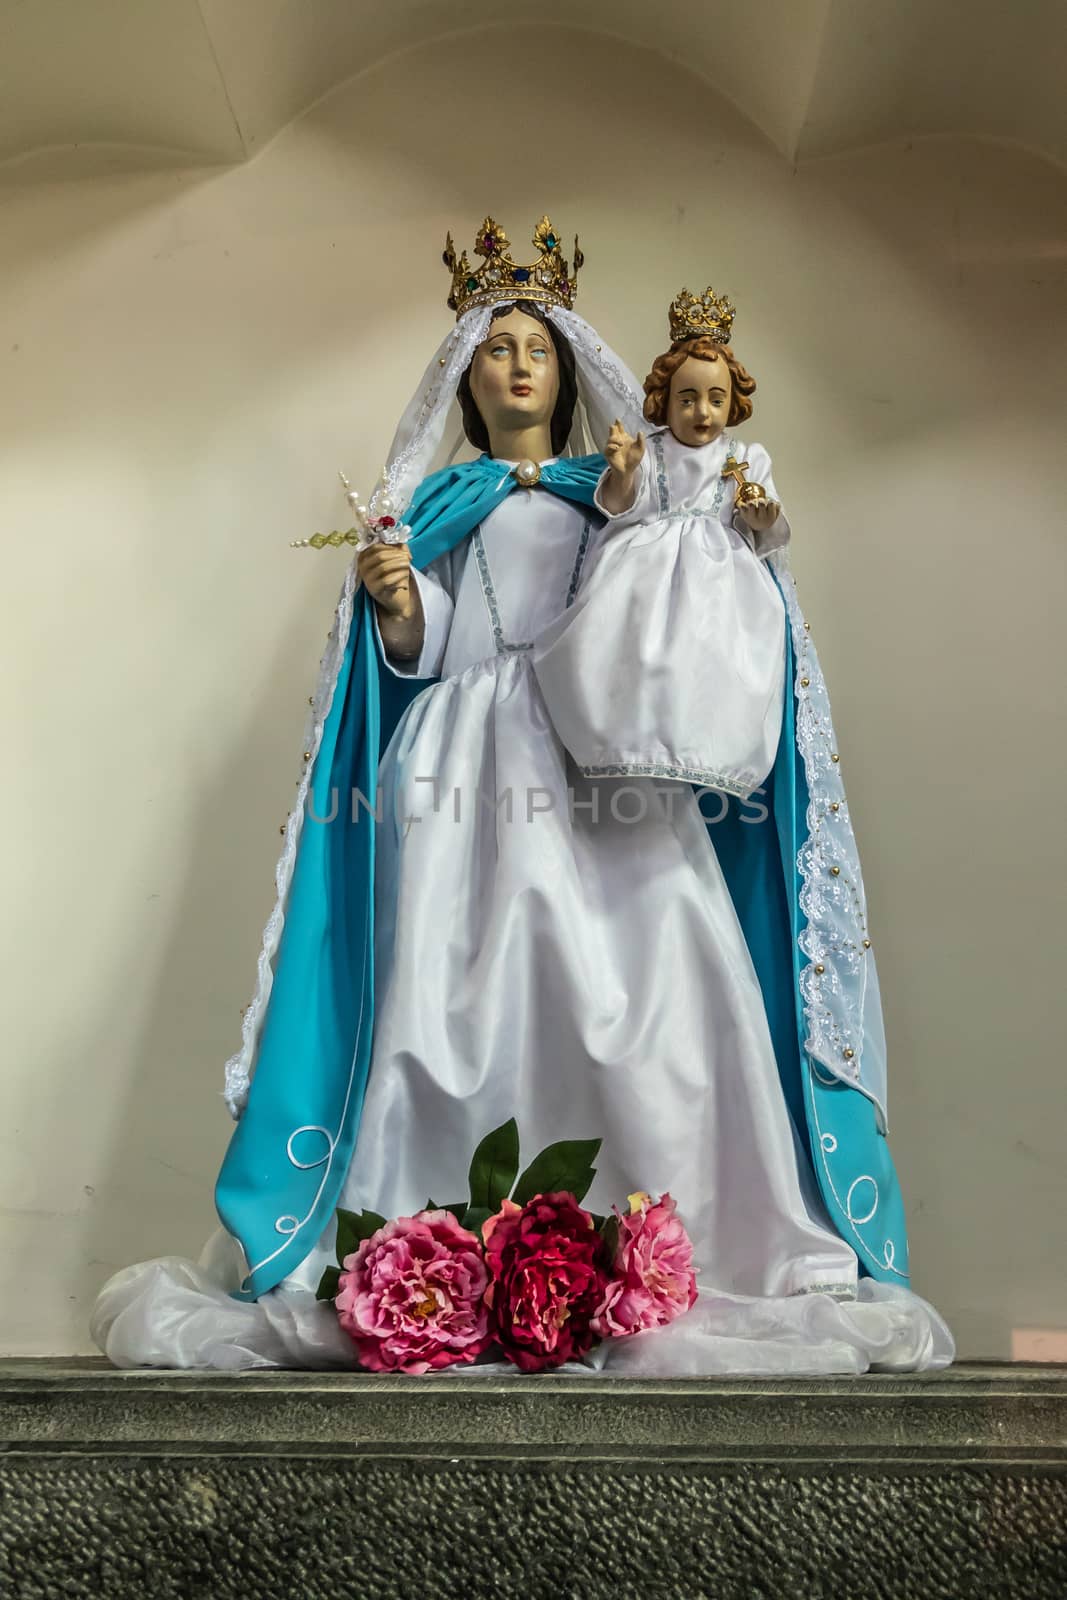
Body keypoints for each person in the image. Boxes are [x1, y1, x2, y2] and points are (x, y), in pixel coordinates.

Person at [92, 223, 953, 1375]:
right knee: (460, 995)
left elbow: (677, 604)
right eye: (491, 349)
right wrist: (399, 600)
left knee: (653, 990)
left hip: (599, 757)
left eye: (533, 348)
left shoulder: (621, 495)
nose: (513, 367)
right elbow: (424, 647)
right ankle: (455, 1235)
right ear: (463, 375)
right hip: (466, 767)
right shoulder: (442, 504)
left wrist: (712, 545)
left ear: (567, 368)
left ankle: (673, 1236)